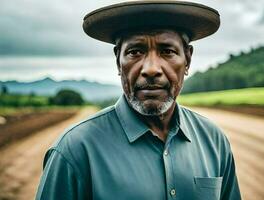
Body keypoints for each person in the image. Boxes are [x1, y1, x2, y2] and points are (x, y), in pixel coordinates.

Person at [36, 1, 241, 200]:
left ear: (187, 59)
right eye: (135, 52)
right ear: (118, 62)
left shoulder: (214, 140)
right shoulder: (74, 150)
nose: (151, 69)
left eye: (167, 51)